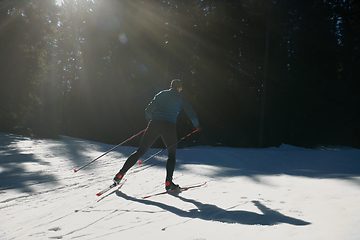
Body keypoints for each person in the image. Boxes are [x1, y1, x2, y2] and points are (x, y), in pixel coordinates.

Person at [113, 79, 200, 191]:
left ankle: (120, 175)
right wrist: (197, 125)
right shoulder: (181, 97)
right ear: (180, 88)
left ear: (170, 87)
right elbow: (191, 113)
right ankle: (169, 183)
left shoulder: (161, 94)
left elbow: (148, 109)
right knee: (171, 155)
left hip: (154, 124)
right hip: (169, 126)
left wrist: (150, 121)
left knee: (140, 151)